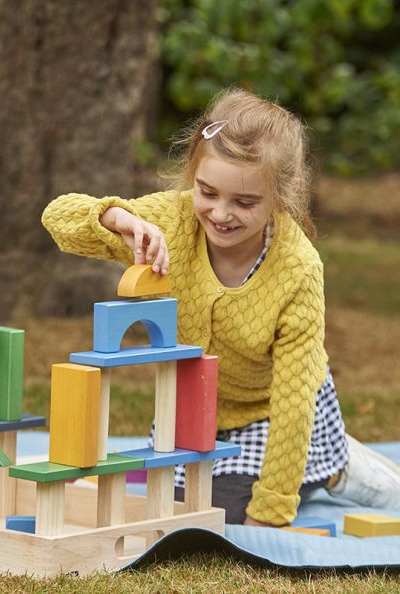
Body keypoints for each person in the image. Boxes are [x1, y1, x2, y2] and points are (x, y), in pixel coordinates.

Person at [41, 88, 400, 526]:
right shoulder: (173, 220)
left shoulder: (298, 269)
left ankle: (336, 466)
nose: (221, 213)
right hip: (192, 411)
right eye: (207, 192)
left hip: (268, 411)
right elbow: (58, 218)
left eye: (245, 202)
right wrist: (120, 220)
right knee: (176, 507)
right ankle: (329, 462)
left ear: (284, 197)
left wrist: (271, 511)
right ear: (193, 174)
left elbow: (293, 404)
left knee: (223, 509)